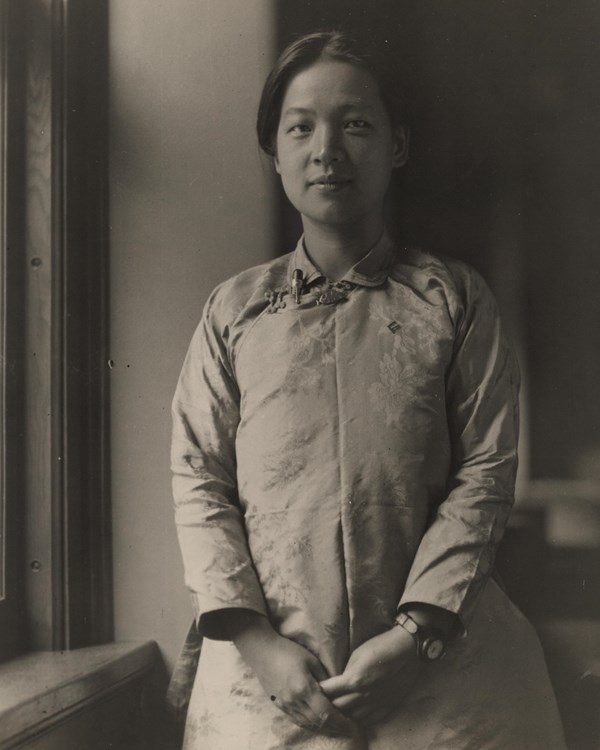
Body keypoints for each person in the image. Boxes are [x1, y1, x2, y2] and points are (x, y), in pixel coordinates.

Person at [170, 29, 566, 750]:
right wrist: (259, 646)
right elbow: (198, 478)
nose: (327, 149)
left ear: (398, 146)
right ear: (276, 153)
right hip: (273, 676)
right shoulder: (233, 315)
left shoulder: (454, 299)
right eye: (301, 127)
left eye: (355, 124)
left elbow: (485, 470)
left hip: (445, 664)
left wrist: (416, 637)